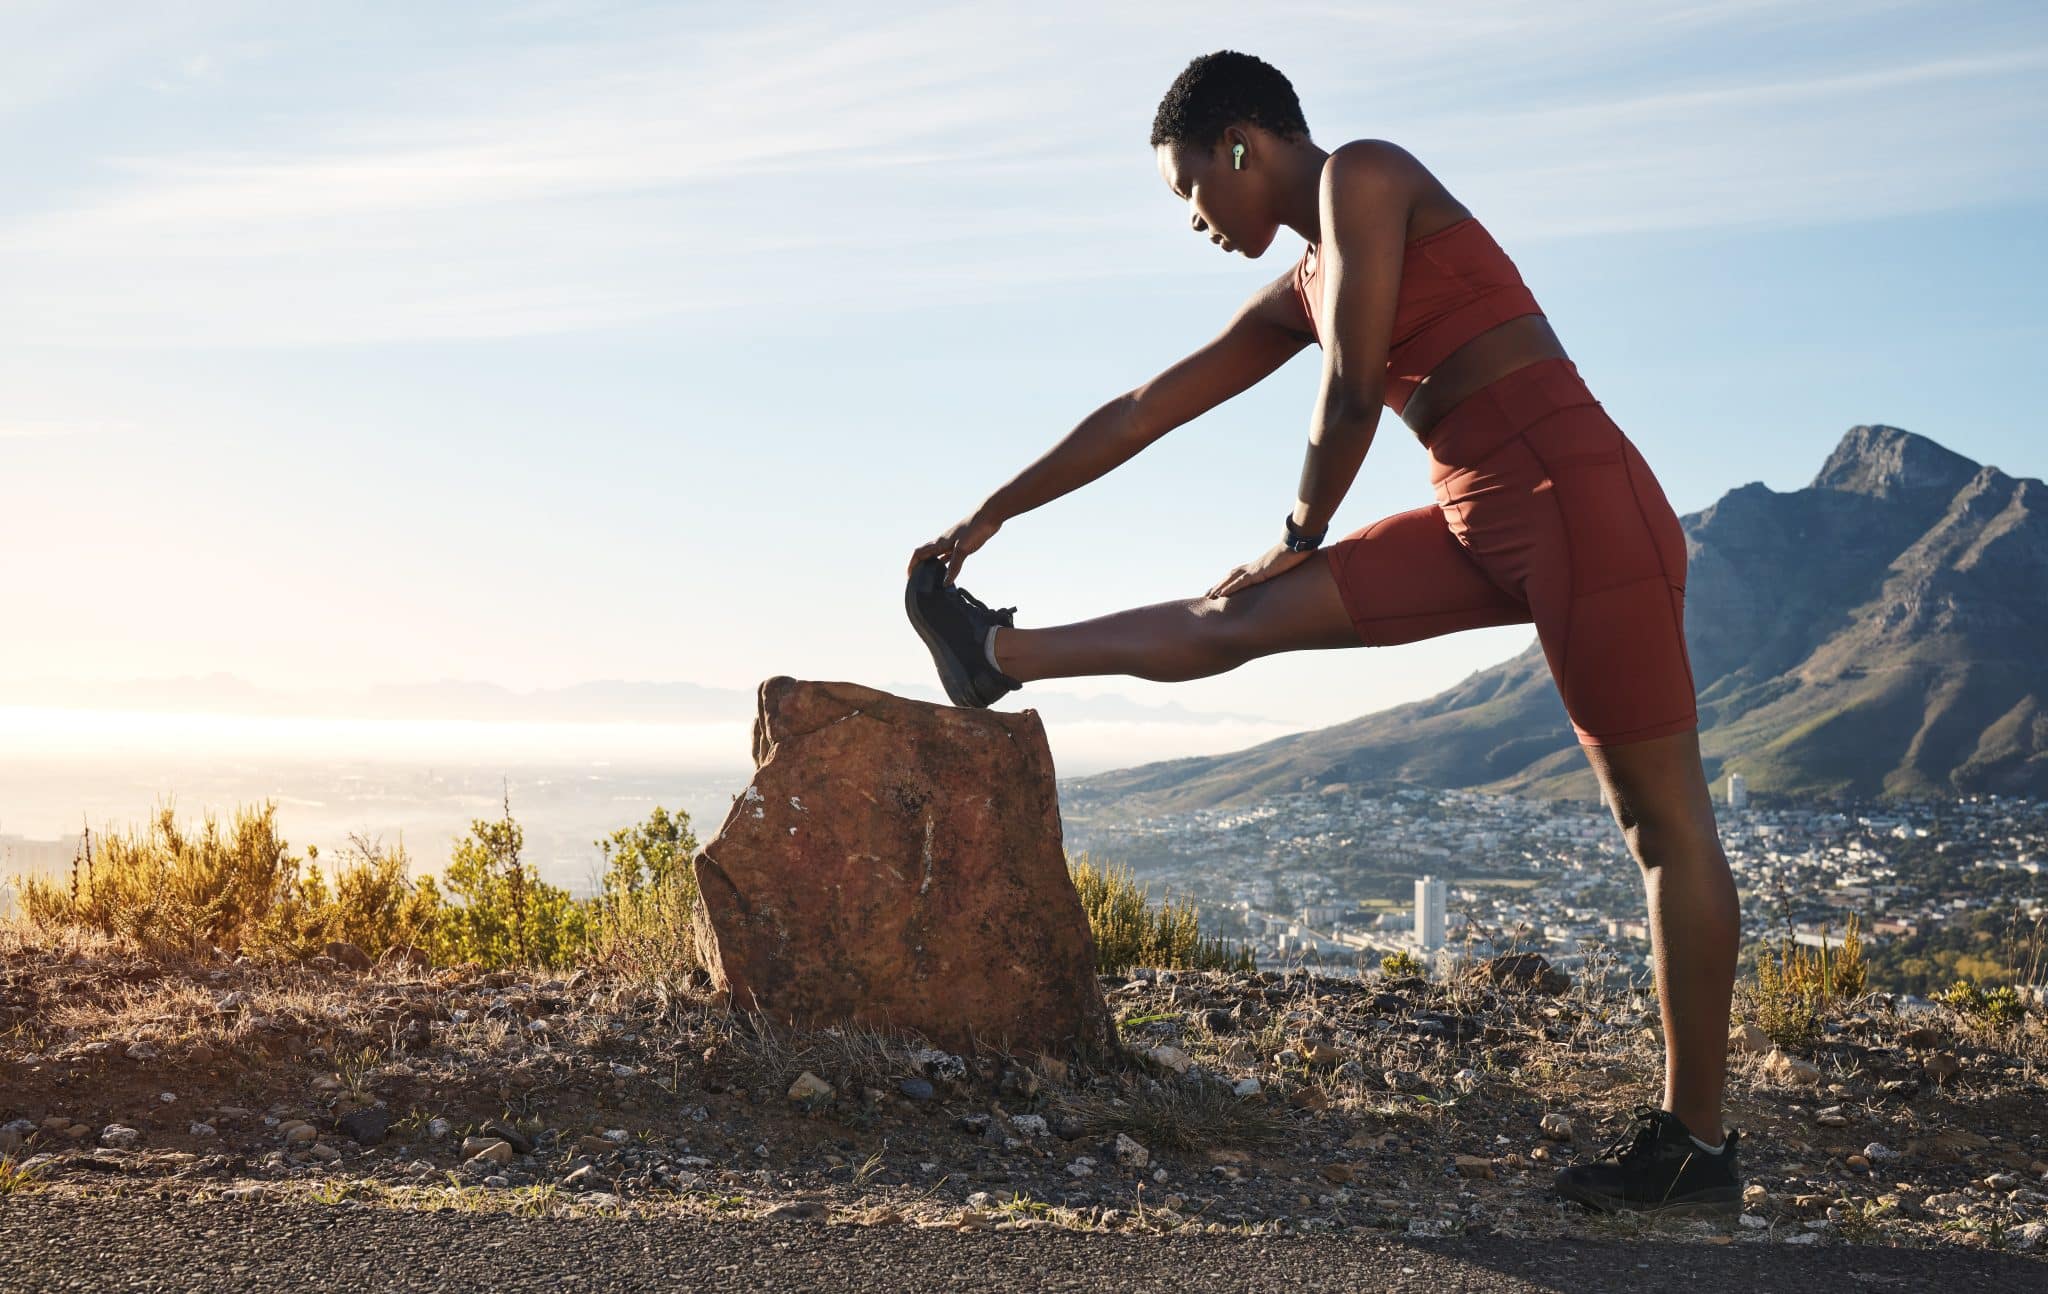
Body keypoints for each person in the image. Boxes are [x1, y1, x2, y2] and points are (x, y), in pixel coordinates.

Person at [904, 49, 1743, 1217]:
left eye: (1188, 187)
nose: (1191, 218)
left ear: (1242, 146)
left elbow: (1352, 390)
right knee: (1239, 614)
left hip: (1577, 502)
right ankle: (992, 656)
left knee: (1660, 826)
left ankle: (1695, 1147)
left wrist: (1300, 526)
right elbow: (1148, 405)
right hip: (1475, 510)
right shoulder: (1307, 275)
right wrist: (998, 506)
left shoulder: (1364, 175)